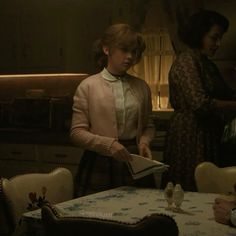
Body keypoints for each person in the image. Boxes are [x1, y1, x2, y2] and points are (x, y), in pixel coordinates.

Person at [70, 23, 156, 197]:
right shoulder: (88, 86)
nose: (130, 57)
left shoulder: (141, 87)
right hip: (100, 160)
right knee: (99, 216)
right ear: (106, 49)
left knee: (139, 215)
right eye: (124, 50)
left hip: (134, 160)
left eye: (134, 52)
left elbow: (149, 125)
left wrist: (144, 142)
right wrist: (109, 145)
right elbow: (77, 133)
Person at [161, 9, 236, 191]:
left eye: (220, 39)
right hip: (190, 134)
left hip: (207, 133)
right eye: (214, 38)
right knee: (189, 185)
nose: (217, 44)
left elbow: (227, 94)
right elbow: (199, 103)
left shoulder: (207, 64)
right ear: (199, 35)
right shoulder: (187, 61)